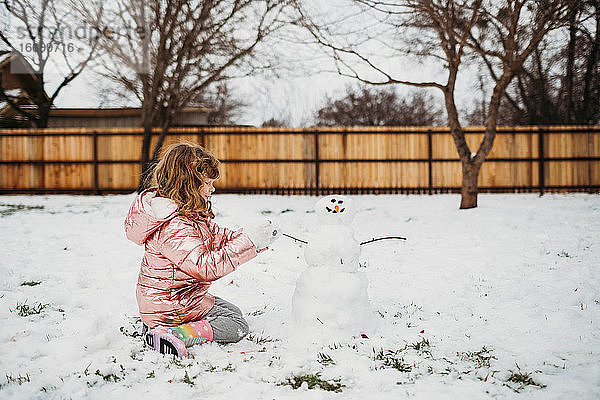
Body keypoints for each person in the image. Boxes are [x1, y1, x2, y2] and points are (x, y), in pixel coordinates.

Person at [124, 142, 280, 357]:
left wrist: (253, 238)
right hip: (170, 306)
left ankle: (159, 329)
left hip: (180, 298)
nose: (212, 189)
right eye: (207, 183)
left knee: (233, 313)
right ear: (187, 184)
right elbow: (205, 267)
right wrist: (247, 242)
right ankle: (174, 334)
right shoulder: (174, 226)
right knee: (236, 325)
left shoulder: (188, 215)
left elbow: (217, 236)